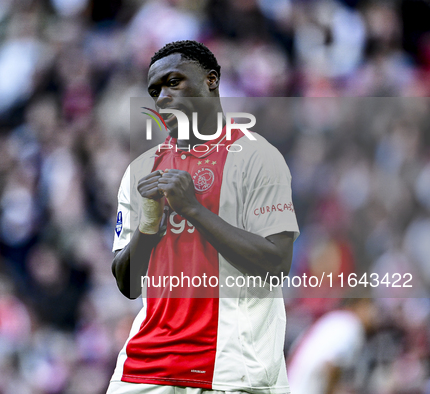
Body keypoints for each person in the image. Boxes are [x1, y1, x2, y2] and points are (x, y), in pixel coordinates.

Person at [109, 40, 300, 394]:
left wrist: (193, 210)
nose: (162, 96)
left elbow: (277, 262)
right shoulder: (140, 171)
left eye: (174, 81)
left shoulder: (258, 158)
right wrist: (148, 229)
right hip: (145, 367)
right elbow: (128, 283)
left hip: (230, 367)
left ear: (211, 80)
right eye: (154, 90)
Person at [287, 298, 378, 394]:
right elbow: (331, 365)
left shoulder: (337, 319)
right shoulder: (350, 324)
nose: (375, 316)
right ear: (360, 305)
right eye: (371, 309)